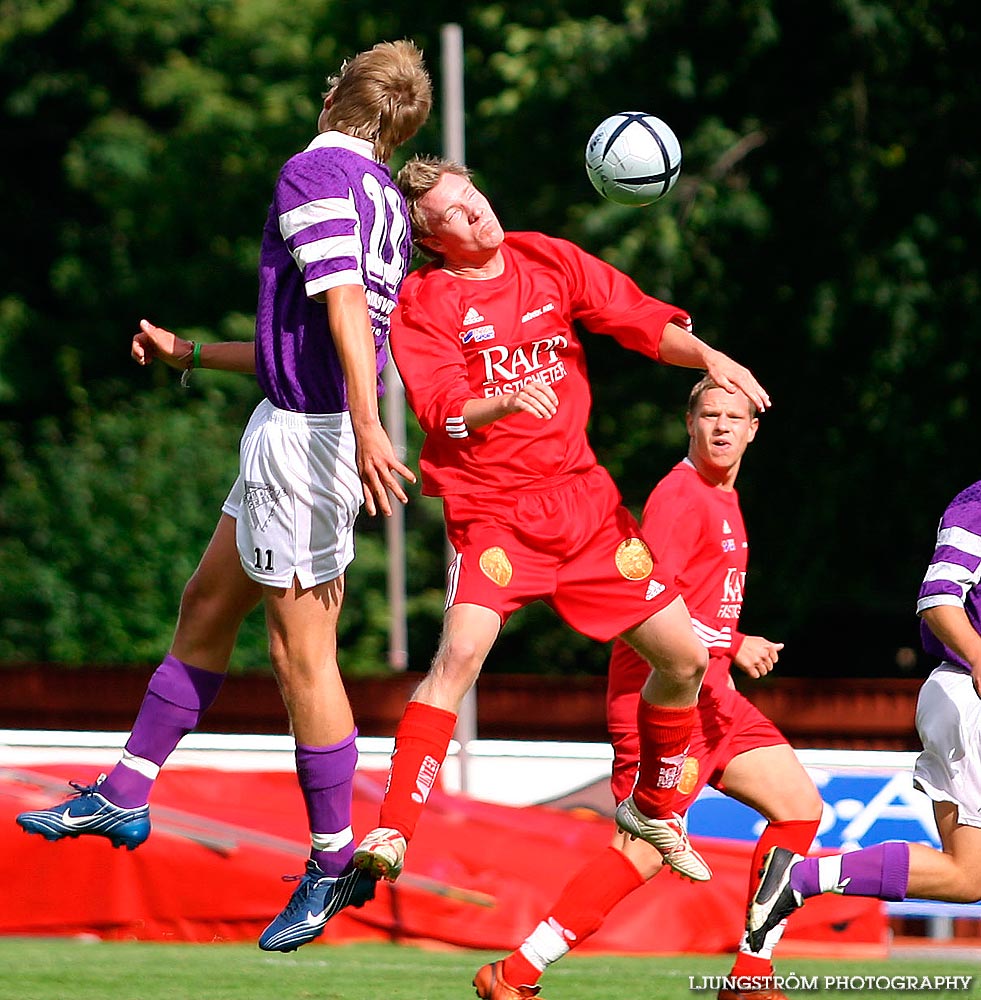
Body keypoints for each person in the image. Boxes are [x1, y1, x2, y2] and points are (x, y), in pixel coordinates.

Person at [15, 40, 433, 954]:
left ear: (338, 98)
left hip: (310, 441)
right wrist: (193, 356)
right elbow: (320, 332)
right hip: (292, 425)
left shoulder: (313, 170)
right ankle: (125, 794)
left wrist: (366, 426)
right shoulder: (383, 201)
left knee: (301, 659)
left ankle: (331, 861)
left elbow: (339, 315)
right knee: (205, 604)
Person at [350, 156, 773, 899]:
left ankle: (648, 809)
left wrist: (708, 357)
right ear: (431, 239)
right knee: (461, 655)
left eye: (472, 194)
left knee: (681, 661)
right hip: (494, 511)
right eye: (452, 212)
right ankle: (393, 827)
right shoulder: (426, 300)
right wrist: (505, 398)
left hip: (584, 507)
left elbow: (639, 321)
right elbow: (439, 410)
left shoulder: (545, 257)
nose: (474, 212)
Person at [472, 376, 823, 1000]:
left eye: (733, 417)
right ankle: (517, 971)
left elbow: (701, 605)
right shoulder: (679, 496)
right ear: (689, 423)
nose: (721, 426)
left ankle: (751, 973)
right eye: (709, 414)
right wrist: (732, 643)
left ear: (752, 430)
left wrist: (729, 643)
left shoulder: (725, 499)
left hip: (718, 700)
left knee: (799, 807)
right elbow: (641, 605)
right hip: (662, 702)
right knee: (642, 849)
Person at [747, 478, 981, 953]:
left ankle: (799, 879)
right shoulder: (977, 504)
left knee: (966, 877)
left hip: (959, 693)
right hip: (967, 695)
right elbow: (938, 596)